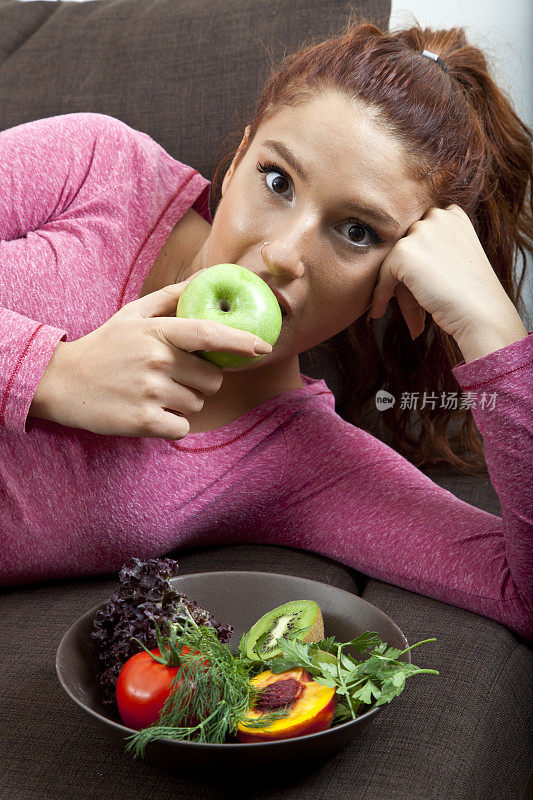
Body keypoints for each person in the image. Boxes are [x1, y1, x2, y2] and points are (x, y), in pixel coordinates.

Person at [0, 21, 531, 642]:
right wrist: (53, 374)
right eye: (277, 180)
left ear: (396, 281)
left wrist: (495, 331)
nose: (283, 254)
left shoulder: (303, 465)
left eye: (357, 231)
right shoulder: (97, 169)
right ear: (237, 157)